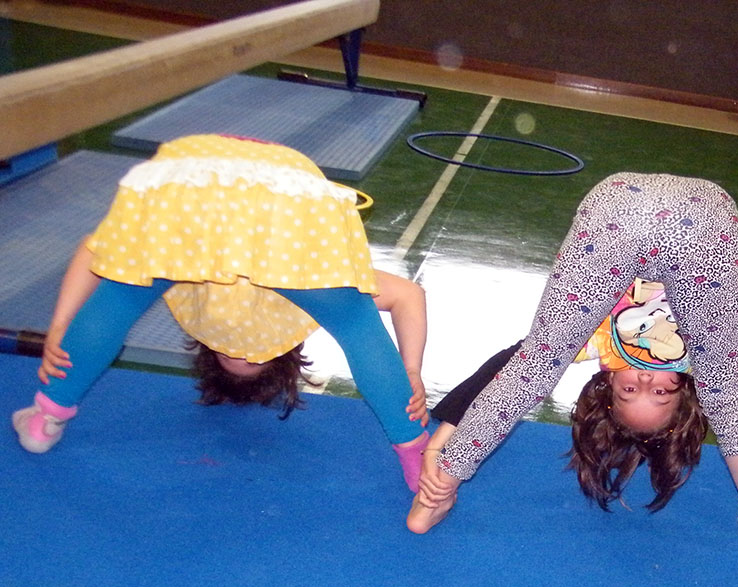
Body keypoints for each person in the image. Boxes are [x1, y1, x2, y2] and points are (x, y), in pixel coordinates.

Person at [409, 172, 738, 566]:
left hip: (616, 209)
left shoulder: (599, 341)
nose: (645, 379)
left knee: (537, 363)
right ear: (683, 391)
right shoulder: (698, 357)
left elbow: (510, 372)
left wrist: (443, 456)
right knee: (725, 395)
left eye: (629, 391)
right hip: (704, 222)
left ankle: (434, 500)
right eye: (660, 393)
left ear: (609, 382)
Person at [11, 134, 431, 490]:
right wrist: (410, 370)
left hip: (194, 172)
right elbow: (408, 295)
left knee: (123, 292)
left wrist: (60, 325)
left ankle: (45, 419)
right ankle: (415, 455)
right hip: (284, 192)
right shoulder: (299, 288)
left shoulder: (195, 278)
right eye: (255, 356)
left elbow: (97, 252)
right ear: (285, 351)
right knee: (355, 321)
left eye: (230, 354)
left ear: (206, 346)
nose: (243, 346)